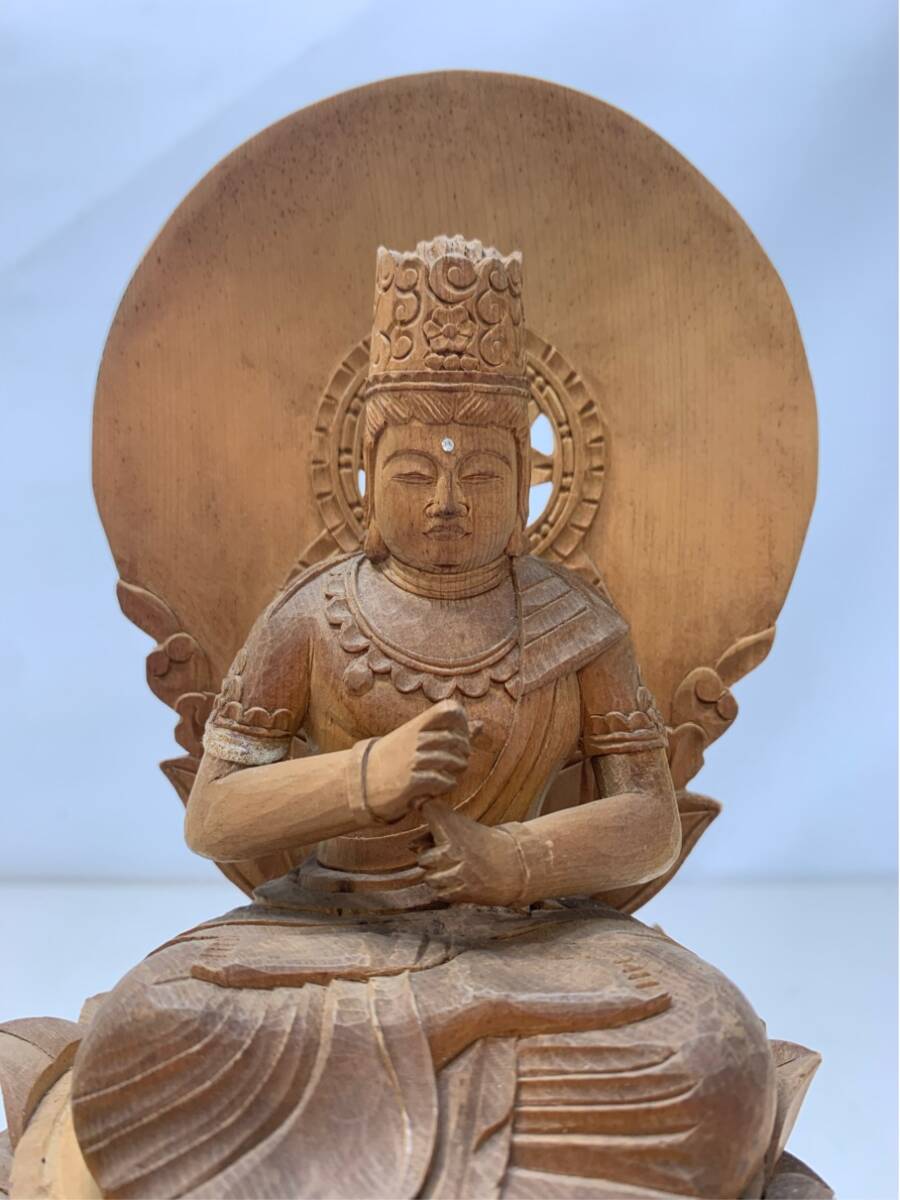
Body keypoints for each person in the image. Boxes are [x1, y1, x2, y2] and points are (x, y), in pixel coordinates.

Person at [70, 237, 776, 1200]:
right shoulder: (312, 617)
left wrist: (512, 862)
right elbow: (215, 816)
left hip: (530, 945)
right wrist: (366, 777)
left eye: (481, 477)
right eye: (412, 474)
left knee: (711, 1048)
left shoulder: (579, 626)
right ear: (365, 478)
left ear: (526, 487)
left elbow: (649, 822)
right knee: (151, 1023)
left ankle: (341, 1136)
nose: (446, 502)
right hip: (323, 935)